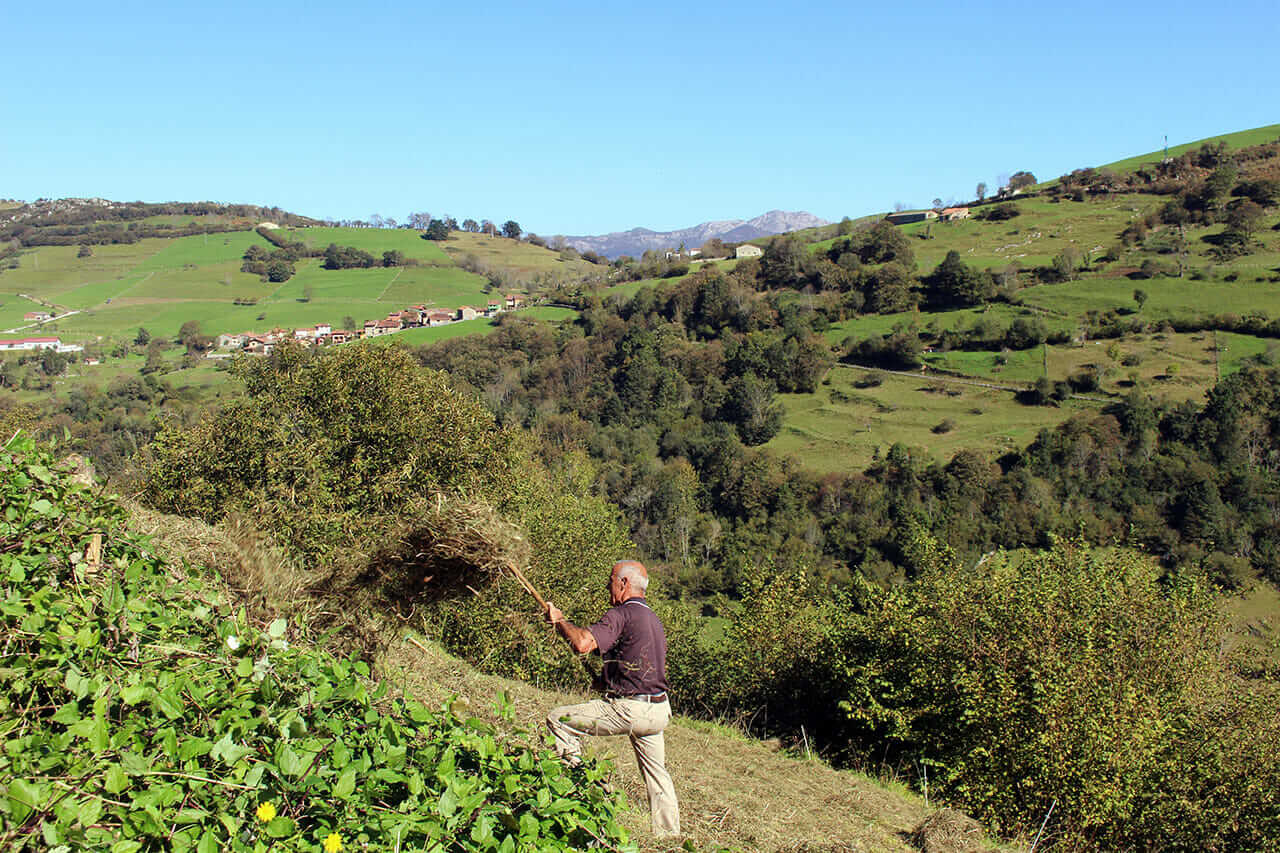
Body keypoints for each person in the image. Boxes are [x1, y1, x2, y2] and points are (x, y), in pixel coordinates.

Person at [544, 560, 680, 837]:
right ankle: (668, 835)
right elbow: (633, 660)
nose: (608, 587)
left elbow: (582, 643)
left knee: (558, 720)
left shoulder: (622, 614)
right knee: (657, 775)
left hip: (631, 710)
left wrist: (559, 621)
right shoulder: (651, 619)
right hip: (658, 711)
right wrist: (607, 679)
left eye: (610, 581)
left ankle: (579, 795)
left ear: (624, 583)